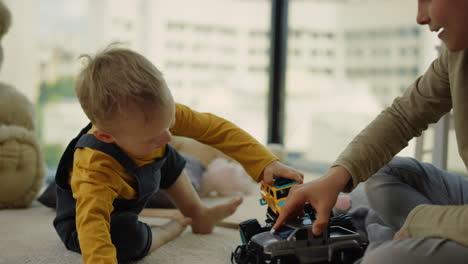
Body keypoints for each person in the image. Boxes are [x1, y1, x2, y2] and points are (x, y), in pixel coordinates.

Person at [53, 46, 304, 264]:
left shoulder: (155, 119)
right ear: (107, 136)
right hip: (85, 223)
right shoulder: (93, 170)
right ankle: (167, 231)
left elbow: (217, 130)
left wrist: (265, 162)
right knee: (123, 240)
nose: (168, 136)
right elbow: (92, 227)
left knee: (166, 153)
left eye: (169, 122)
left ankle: (198, 213)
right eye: (153, 135)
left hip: (132, 191)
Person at [273, 0, 468, 263]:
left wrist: (419, 221)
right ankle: (419, 238)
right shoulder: (457, 53)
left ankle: (403, 239)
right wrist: (334, 177)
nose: (421, 18)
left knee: (382, 259)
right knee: (384, 173)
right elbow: (402, 117)